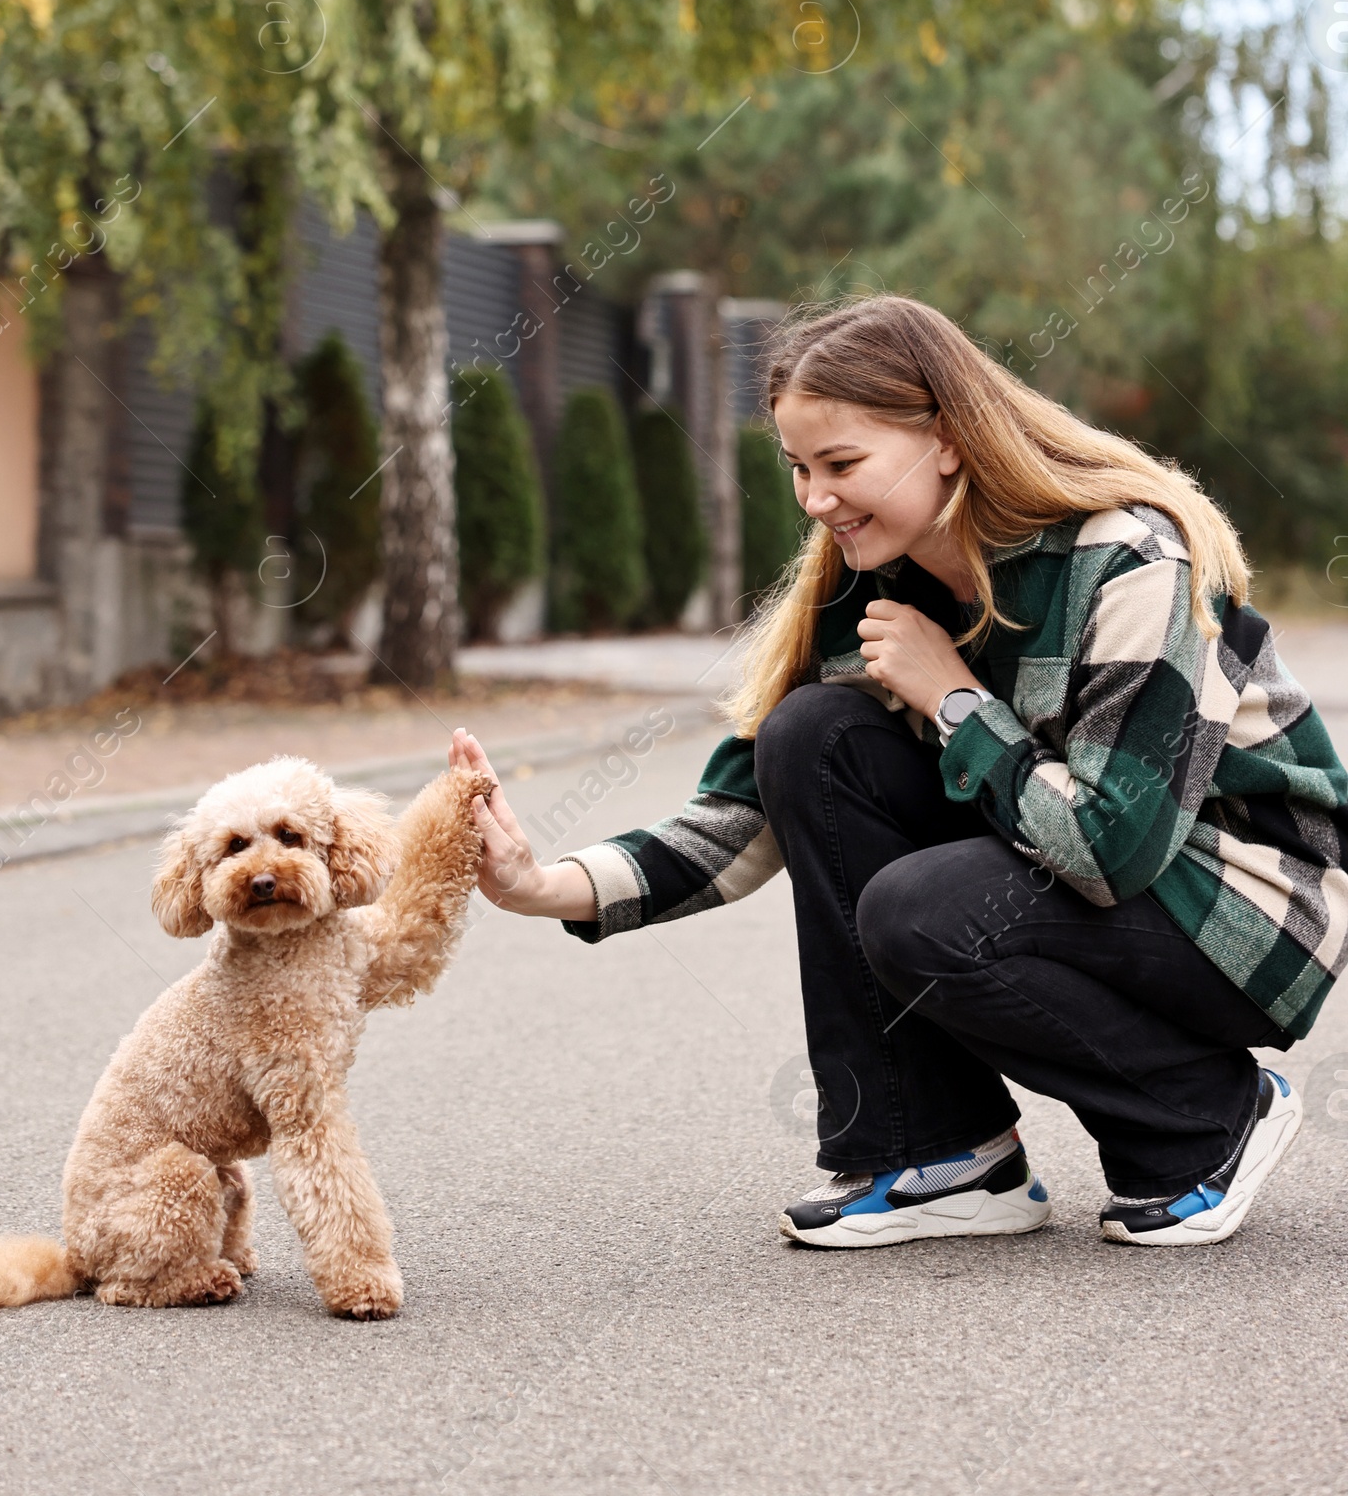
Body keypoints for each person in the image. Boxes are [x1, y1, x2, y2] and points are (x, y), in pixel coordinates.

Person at [450, 294, 1348, 1251]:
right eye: (798, 467)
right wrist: (542, 885)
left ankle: (1208, 1118)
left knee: (924, 908)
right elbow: (742, 814)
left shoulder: (1130, 560)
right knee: (811, 734)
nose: (814, 499)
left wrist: (956, 699)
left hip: (1247, 909)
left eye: (842, 464)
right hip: (1101, 870)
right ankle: (939, 1151)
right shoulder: (874, 579)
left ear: (948, 439)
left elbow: (1109, 847)